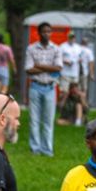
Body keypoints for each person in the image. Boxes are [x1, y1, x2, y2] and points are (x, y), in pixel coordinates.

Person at [24, 23, 61, 156]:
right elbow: (28, 69)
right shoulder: (31, 49)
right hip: (35, 86)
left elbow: (58, 68)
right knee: (34, 119)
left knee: (48, 120)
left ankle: (47, 149)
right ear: (39, 33)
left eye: (49, 32)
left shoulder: (56, 49)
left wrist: (38, 65)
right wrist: (48, 67)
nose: (47, 34)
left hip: (50, 87)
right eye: (44, 32)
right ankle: (35, 149)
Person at [58, 28, 82, 96]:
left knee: (74, 92)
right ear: (68, 37)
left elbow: (80, 57)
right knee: (64, 91)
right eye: (70, 37)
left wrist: (79, 60)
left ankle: (72, 106)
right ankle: (61, 106)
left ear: (75, 38)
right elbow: (58, 58)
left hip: (75, 73)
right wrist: (65, 61)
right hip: (65, 73)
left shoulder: (78, 47)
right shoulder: (62, 46)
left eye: (73, 37)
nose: (72, 38)